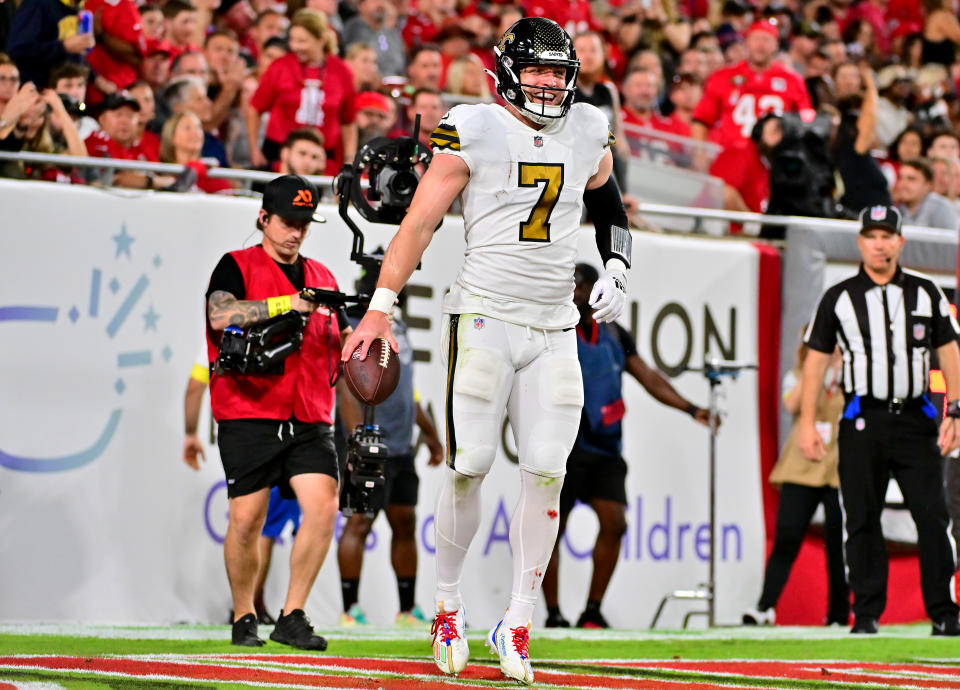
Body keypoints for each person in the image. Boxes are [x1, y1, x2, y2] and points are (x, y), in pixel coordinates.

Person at [341, 17, 631, 685]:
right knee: (469, 462)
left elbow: (610, 205)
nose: (549, 82)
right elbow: (419, 221)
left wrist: (616, 267)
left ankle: (519, 617)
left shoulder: (588, 127)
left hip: (554, 325)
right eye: (538, 69)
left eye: (559, 71)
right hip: (484, 317)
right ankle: (447, 605)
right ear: (505, 70)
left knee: (548, 471)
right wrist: (382, 308)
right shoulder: (471, 125)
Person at [798, 204, 960, 636]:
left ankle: (944, 613)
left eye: (887, 235)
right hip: (862, 419)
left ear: (900, 242)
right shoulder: (838, 296)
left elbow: (949, 350)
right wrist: (806, 422)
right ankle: (866, 613)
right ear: (860, 242)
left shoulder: (926, 292)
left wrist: (956, 408)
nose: (879, 244)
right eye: (872, 236)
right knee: (862, 517)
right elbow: (814, 362)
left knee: (932, 515)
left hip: (915, 418)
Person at [206, 174, 350, 649]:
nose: (296, 232)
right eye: (288, 221)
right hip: (249, 409)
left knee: (323, 507)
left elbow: (340, 340)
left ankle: (292, 613)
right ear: (263, 218)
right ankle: (244, 614)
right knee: (246, 520)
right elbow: (220, 315)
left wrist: (360, 344)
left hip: (310, 415)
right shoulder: (236, 265)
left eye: (304, 223)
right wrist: (286, 303)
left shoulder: (325, 278)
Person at [542, 263, 710, 629]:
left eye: (582, 286)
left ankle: (592, 610)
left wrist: (691, 407)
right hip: (564, 446)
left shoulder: (615, 334)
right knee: (551, 530)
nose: (577, 293)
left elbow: (648, 377)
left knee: (614, 522)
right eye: (573, 286)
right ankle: (553, 612)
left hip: (604, 448)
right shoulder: (556, 329)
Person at [336, 263, 445, 628]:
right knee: (359, 524)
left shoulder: (398, 327)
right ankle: (350, 610)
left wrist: (429, 433)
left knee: (405, 521)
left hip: (400, 447)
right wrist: (358, 440)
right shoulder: (358, 326)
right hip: (370, 445)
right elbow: (347, 389)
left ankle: (406, 609)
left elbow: (404, 391)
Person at [181, 352, 301, 625]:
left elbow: (194, 386)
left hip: (243, 435)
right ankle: (250, 607)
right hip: (282, 433)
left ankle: (247, 607)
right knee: (262, 527)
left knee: (248, 522)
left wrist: (190, 432)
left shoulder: (222, 329)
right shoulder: (292, 320)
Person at [741, 331, 849, 627]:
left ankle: (839, 614)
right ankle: (765, 607)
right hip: (802, 464)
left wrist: (841, 368)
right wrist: (817, 367)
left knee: (838, 544)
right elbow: (792, 405)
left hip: (839, 467)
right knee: (786, 536)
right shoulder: (798, 374)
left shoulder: (852, 375)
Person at [896, 158, 959, 230]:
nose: (903, 184)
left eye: (911, 179)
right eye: (900, 178)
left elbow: (955, 238)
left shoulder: (940, 208)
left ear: (928, 185)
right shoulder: (896, 210)